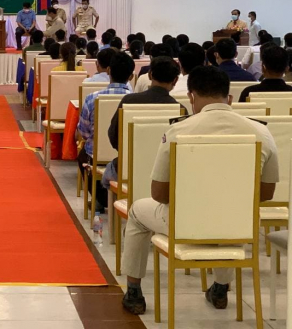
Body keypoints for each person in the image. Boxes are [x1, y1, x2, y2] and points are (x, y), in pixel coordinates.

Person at [121, 66, 278, 315]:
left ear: (191, 96)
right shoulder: (262, 132)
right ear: (229, 98)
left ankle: (134, 292)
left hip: (184, 223)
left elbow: (159, 193)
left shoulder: (178, 131)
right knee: (234, 214)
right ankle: (220, 288)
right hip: (238, 225)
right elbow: (267, 194)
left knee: (137, 213)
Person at [76, 52, 134, 210]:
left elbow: (83, 133)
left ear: (108, 70)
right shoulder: (136, 100)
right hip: (127, 156)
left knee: (82, 155)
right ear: (131, 76)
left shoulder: (92, 98)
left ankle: (99, 199)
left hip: (95, 155)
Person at [108, 56, 183, 150]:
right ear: (175, 80)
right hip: (166, 159)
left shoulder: (128, 101)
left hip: (129, 157)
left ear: (150, 75)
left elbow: (114, 136)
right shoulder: (180, 110)